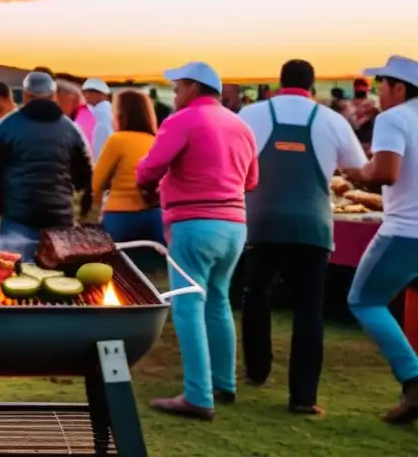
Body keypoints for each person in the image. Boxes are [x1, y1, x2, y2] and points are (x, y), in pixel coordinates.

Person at [238, 59, 367, 415]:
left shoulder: (251, 114)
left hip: (263, 222)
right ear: (311, 85)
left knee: (256, 294)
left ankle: (257, 370)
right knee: (309, 307)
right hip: (313, 225)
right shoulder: (331, 120)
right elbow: (358, 169)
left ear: (280, 82)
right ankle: (303, 397)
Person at [136, 61, 258, 421]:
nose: (174, 94)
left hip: (193, 223)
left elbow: (148, 169)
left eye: (177, 87)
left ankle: (198, 396)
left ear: (192, 87)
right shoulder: (240, 124)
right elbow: (251, 181)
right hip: (234, 225)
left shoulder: (183, 120)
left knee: (188, 306)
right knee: (218, 302)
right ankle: (224, 383)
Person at [342, 55, 418, 423]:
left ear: (398, 87)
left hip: (405, 231)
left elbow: (385, 173)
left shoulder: (393, 118)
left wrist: (357, 171)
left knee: (364, 300)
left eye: (380, 85)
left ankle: (413, 378)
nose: (377, 92)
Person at [0, 71, 92, 255]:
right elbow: (84, 174)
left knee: (16, 275)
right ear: (53, 96)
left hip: (17, 215)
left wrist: (0, 199)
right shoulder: (72, 129)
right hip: (59, 216)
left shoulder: (5, 125)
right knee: (58, 276)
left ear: (25, 95)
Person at [93, 89, 163, 243]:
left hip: (120, 217)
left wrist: (94, 211)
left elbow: (96, 183)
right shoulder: (156, 141)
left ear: (121, 113)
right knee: (149, 267)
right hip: (154, 216)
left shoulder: (117, 140)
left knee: (117, 265)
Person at [81, 79, 113, 161]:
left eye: (91, 92)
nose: (86, 95)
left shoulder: (102, 110)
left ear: (103, 94)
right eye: (85, 92)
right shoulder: (96, 110)